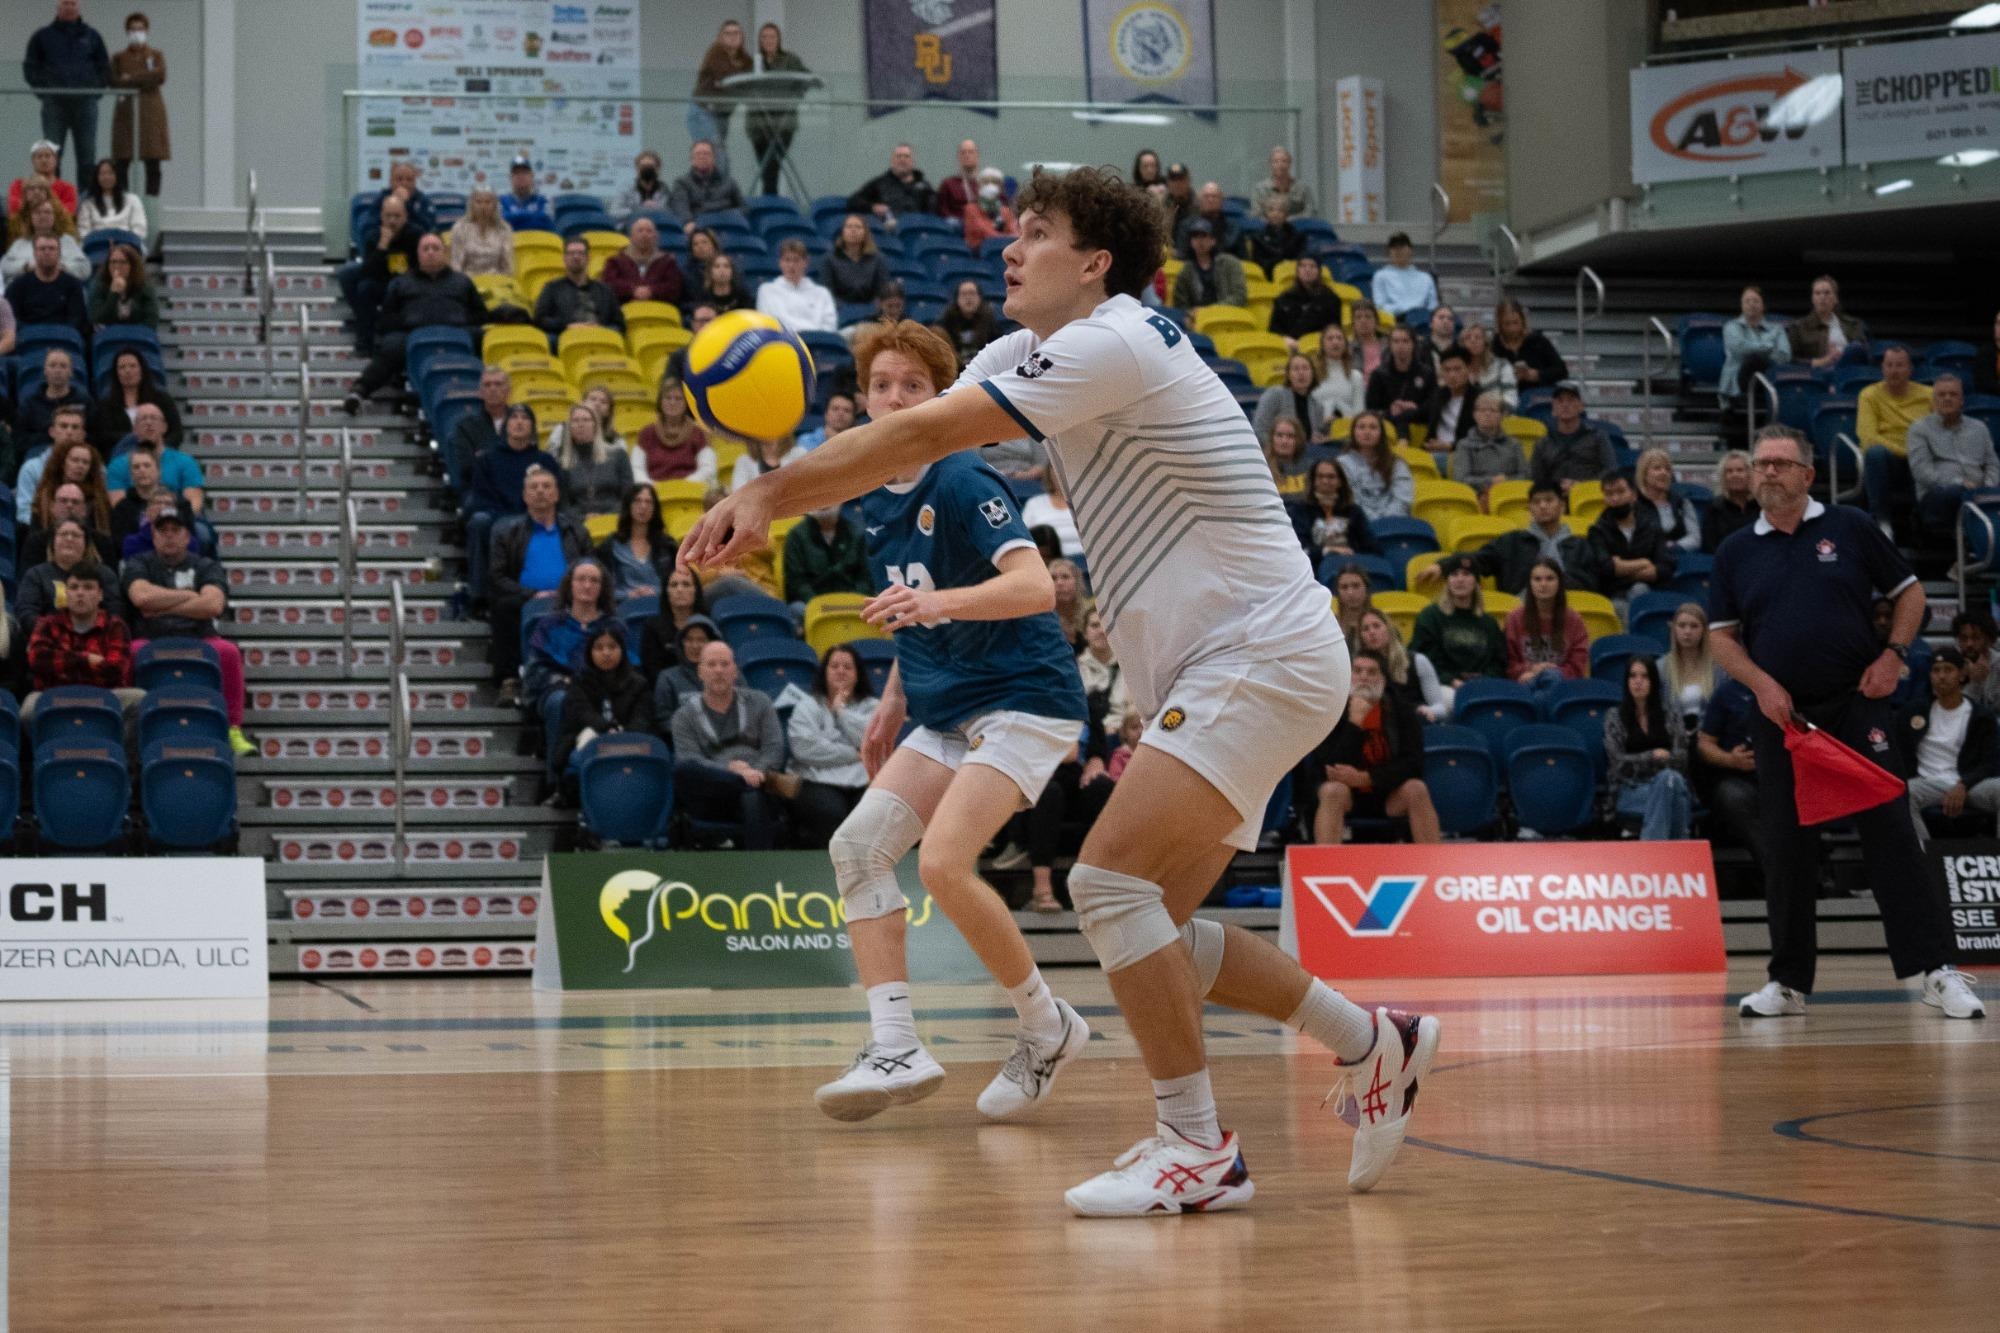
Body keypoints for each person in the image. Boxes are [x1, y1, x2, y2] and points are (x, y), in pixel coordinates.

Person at [685, 166, 1447, 1208]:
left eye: (1034, 232)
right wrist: (776, 488)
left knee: (1103, 884)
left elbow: (915, 436)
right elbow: (896, 449)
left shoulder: (1114, 341)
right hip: (1234, 664)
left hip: (1256, 651)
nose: (1008, 247)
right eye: (1010, 230)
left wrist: (768, 488)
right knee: (1156, 929)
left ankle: (1197, 1147)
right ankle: (1371, 1039)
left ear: (1094, 263)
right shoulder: (1028, 350)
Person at [793, 319, 1096, 1119]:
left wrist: (933, 604)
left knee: (943, 864)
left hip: (1026, 698)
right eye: (881, 385)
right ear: (863, 400)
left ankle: (1045, 1021)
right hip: (944, 703)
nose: (895, 397)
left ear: (939, 397)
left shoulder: (962, 478)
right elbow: (913, 597)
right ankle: (894, 1045)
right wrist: (893, 700)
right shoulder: (870, 491)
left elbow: (1035, 588)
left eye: (913, 386)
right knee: (857, 849)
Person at [1708, 425, 1981, 1019]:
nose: (1768, 473)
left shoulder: (1850, 528)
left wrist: (1894, 655)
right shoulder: (1734, 551)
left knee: (1892, 834)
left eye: (1780, 464)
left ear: (1808, 475)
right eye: (1760, 464)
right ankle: (1788, 982)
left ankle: (1936, 971)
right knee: (1786, 846)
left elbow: (1910, 595)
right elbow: (1722, 641)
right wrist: (1762, 684)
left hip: (1856, 705)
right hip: (1783, 718)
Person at [120, 499, 251, 754]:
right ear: (154, 536)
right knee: (132, 651)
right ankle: (132, 731)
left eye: (175, 530)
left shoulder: (206, 565)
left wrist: (161, 604)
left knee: (228, 652)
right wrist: (191, 596)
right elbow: (141, 598)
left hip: (199, 636)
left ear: (187, 535)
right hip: (151, 637)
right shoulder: (138, 563)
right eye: (162, 531)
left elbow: (213, 605)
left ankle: (232, 728)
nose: (169, 536)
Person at [668, 640, 792, 848]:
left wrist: (758, 772)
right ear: (700, 672)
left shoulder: (760, 701)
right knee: (684, 769)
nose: (719, 671)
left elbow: (774, 748)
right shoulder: (684, 715)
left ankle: (759, 870)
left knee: (752, 796)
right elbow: (689, 759)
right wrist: (731, 770)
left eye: (725, 664)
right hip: (712, 793)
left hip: (758, 785)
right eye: (712, 665)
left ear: (735, 671)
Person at [342, 232, 486, 411]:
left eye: (435, 248)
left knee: (484, 338)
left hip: (455, 332)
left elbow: (480, 315)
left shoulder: (463, 282)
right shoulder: (401, 283)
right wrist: (410, 321)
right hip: (414, 334)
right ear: (418, 254)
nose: (431, 252)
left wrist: (458, 319)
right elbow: (386, 321)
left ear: (444, 253)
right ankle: (359, 391)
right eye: (426, 249)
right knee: (392, 345)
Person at [1314, 648, 1439, 846]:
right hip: (1347, 796)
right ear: (1348, 675)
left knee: (1417, 788)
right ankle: (1325, 871)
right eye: (1357, 671)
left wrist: (1367, 778)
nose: (1363, 677)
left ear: (1383, 679)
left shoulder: (1401, 710)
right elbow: (1328, 765)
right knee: (1332, 791)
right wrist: (1355, 723)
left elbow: (1413, 763)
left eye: (1372, 672)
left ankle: (1435, 867)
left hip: (1388, 792)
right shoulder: (1330, 709)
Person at [488, 465, 589, 704]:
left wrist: (569, 593)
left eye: (546, 487)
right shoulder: (507, 531)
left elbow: (591, 568)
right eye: (534, 487)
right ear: (524, 496)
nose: (540, 492)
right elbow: (497, 576)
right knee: (504, 607)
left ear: (556, 494)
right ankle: (510, 680)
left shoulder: (576, 531)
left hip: (572, 599)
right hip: (524, 600)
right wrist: (533, 594)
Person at [22, 563, 141, 736]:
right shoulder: (47, 623)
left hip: (104, 696)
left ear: (100, 595)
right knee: (28, 709)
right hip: (56, 696)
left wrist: (64, 664)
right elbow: (38, 661)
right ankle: (46, 756)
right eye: (74, 587)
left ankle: (119, 758)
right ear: (66, 593)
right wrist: (86, 660)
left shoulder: (115, 625)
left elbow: (115, 670)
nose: (80, 593)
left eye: (88, 587)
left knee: (140, 700)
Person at [523, 556, 616, 771]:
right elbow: (534, 672)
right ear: (570, 585)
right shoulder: (549, 625)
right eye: (581, 579)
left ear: (602, 588)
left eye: (594, 581)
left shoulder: (613, 626)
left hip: (603, 690)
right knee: (561, 701)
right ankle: (557, 783)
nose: (587, 585)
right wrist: (564, 680)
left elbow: (627, 670)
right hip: (560, 689)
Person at [1896, 647, 2000, 837]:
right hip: (1927, 782)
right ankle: (1923, 860)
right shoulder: (1913, 711)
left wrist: (1963, 785)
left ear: (1961, 675)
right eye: (1936, 670)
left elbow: (1988, 763)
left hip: (1970, 784)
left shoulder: (1981, 716)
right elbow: (1900, 753)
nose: (1942, 676)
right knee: (1901, 795)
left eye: (1948, 670)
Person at [550, 619, 654, 807]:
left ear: (622, 650)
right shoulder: (580, 681)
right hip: (588, 741)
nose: (606, 653)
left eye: (612, 647)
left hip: (629, 742)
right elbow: (581, 713)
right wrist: (607, 729)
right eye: (599, 648)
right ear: (590, 652)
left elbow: (642, 719)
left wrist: (623, 735)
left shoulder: (639, 684)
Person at [784, 643, 876, 846]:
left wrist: (841, 712)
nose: (841, 671)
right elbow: (805, 749)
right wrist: (855, 753)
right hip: (817, 780)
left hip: (864, 781)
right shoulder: (807, 706)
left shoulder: (873, 707)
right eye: (834, 666)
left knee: (870, 813)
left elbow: (872, 742)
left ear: (858, 674)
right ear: (824, 672)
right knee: (830, 814)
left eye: (847, 667)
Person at [1606, 656, 1692, 840]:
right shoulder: (1614, 717)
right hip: (1632, 789)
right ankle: (1678, 857)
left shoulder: (1671, 714)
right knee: (1672, 785)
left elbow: (1683, 758)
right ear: (1626, 681)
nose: (1638, 681)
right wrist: (1653, 756)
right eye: (1633, 676)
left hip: (1668, 784)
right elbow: (1618, 763)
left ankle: (1654, 855)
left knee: (1668, 782)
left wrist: (1649, 765)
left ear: (1653, 681)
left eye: (1644, 676)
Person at [24, 2, 110, 186]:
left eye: (73, 3)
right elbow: (30, 67)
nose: (69, 7)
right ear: (58, 6)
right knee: (52, 158)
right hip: (55, 105)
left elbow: (104, 67)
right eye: (65, 3)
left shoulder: (92, 36)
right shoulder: (43, 36)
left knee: (87, 158)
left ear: (79, 7)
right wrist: (45, 92)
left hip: (85, 104)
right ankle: (53, 205)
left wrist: (94, 92)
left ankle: (86, 205)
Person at [1906, 373, 1999, 533]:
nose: (1948, 398)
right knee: (1956, 493)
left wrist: (1988, 488)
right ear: (1934, 401)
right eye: (1942, 395)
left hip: (1978, 492)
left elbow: (1993, 464)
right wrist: (1960, 484)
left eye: (1953, 394)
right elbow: (1922, 473)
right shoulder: (1919, 429)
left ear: (1962, 400)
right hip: (1937, 497)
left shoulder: (1979, 428)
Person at [1695, 678, 1769, 873]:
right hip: (1737, 778)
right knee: (1732, 796)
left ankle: (1814, 873)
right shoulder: (1726, 692)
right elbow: (1704, 745)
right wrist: (1730, 760)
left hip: (1778, 777)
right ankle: (1775, 869)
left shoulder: (1782, 688)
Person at [1858, 344, 1934, 528]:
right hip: (1890, 460)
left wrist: (1917, 454)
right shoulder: (1869, 395)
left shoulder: (1929, 395)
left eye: (1899, 365)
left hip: (1920, 460)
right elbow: (1868, 438)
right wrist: (1907, 452)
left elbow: (1937, 433)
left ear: (1910, 369)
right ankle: (1882, 523)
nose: (1894, 371)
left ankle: (1924, 525)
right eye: (1889, 365)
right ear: (1882, 368)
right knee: (1875, 453)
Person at [1412, 553, 1507, 688]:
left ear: (1476, 582)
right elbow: (1423, 659)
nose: (1460, 580)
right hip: (1441, 686)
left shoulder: (1489, 623)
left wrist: (1484, 680)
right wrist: (1452, 681)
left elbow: (1497, 663)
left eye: (1466, 574)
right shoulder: (1430, 617)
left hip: (1483, 685)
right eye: (1454, 574)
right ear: (1447, 581)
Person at [15, 514, 121, 631]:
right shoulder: (36, 574)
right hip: (48, 639)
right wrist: (57, 632)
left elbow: (115, 612)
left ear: (86, 544)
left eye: (76, 535)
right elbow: (26, 613)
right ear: (53, 542)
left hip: (95, 639)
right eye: (63, 534)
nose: (69, 538)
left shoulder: (104, 574)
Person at [1590, 469, 1675, 609]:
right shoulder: (1597, 530)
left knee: (1640, 590)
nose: (1615, 498)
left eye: (1620, 492)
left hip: (1649, 592)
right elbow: (1606, 568)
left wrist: (1623, 569)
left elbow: (1666, 566)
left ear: (1634, 494)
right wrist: (1644, 562)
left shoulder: (1651, 526)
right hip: (1613, 595)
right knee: (1619, 605)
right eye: (1609, 494)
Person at [1504, 558, 1588, 684]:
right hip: (1525, 685)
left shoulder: (1574, 621)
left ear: (1559, 583)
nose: (1543, 584)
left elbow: (1577, 666)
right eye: (1537, 579)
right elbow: (1508, 663)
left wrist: (1550, 673)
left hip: (1561, 686)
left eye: (1550, 579)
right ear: (1530, 584)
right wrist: (1530, 670)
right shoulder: (1514, 619)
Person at [104, 406, 200, 510]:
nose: (148, 423)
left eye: (154, 418)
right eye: (143, 419)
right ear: (134, 429)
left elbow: (194, 502)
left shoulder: (185, 462)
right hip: (135, 521)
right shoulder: (118, 465)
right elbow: (118, 506)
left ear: (164, 427)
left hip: (177, 520)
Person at [1529, 381, 1616, 496]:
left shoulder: (1598, 437)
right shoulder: (1543, 443)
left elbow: (1611, 470)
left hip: (1589, 496)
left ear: (1581, 407)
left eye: (1571, 399)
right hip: (1554, 499)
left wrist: (1582, 486)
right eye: (1560, 401)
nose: (1565, 405)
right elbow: (1536, 478)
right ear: (1553, 409)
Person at [19, 410, 102, 527]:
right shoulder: (31, 468)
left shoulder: (98, 469)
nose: (69, 432)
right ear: (52, 432)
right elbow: (24, 512)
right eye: (63, 426)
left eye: (75, 427)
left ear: (83, 434)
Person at [551, 402, 633, 519]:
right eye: (575, 421)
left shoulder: (618, 455)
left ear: (595, 425)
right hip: (579, 525)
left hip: (616, 520)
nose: (581, 424)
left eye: (586, 420)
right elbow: (564, 506)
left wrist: (606, 517)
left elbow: (628, 497)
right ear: (569, 428)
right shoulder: (562, 463)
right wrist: (583, 517)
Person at [689, 21, 751, 173]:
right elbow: (725, 76)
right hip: (703, 111)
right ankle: (720, 195)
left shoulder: (744, 59)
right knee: (717, 157)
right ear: (720, 37)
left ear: (742, 37)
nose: (732, 37)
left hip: (723, 114)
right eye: (727, 33)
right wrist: (736, 82)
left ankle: (715, 194)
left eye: (736, 33)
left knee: (716, 160)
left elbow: (751, 78)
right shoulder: (715, 51)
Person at [596, 483, 675, 600]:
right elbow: (602, 589)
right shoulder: (612, 544)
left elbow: (677, 583)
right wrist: (629, 594)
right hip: (624, 608)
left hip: (661, 607)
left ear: (655, 508)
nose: (643, 506)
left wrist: (656, 592)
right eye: (637, 501)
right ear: (629, 506)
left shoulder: (667, 546)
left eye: (648, 502)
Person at [782, 502, 868, 606]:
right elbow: (796, 583)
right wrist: (819, 605)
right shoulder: (796, 537)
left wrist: (850, 603)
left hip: (852, 603)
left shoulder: (857, 534)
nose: (824, 504)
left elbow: (865, 578)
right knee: (797, 609)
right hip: (810, 604)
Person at [1451, 389, 1527, 506]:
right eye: (1482, 410)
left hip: (1509, 498)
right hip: (1476, 499)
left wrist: (1506, 482)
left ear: (1502, 415)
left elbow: (1526, 475)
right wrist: (1491, 482)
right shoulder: (1464, 445)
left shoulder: (1514, 444)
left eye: (1492, 410)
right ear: (1475, 415)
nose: (1487, 414)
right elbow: (1461, 479)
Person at [534, 236, 622, 337]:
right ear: (564, 258)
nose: (576, 257)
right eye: (571, 253)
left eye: (581, 253)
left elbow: (619, 324)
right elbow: (540, 320)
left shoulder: (605, 290)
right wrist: (567, 326)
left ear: (588, 258)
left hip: (600, 337)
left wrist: (600, 328)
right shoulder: (552, 288)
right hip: (566, 338)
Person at [1288, 458, 1370, 564]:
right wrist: (1327, 551)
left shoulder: (1354, 511)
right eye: (1320, 477)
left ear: (1340, 482)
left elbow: (1370, 548)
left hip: (1351, 565)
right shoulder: (1299, 511)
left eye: (1331, 477)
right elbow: (1300, 549)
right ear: (1313, 481)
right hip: (1313, 568)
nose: (1325, 481)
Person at [15, 346, 90, 459]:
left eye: (63, 366)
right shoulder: (30, 402)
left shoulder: (84, 401)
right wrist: (54, 437)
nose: (58, 370)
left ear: (71, 372)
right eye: (53, 365)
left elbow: (94, 435)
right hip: (40, 455)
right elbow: (19, 439)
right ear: (45, 370)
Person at [1719, 285, 1788, 406]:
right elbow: (1739, 350)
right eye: (1747, 301)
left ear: (1763, 305)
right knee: (1753, 360)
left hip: (1769, 381)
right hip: (1737, 387)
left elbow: (1785, 356)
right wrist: (1768, 347)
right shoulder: (1731, 327)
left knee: (1758, 360)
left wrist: (1756, 351)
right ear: (1741, 305)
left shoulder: (1777, 329)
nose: (1751, 304)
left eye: (1756, 301)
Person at [23, 476, 115, 567]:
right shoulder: (36, 542)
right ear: (52, 507)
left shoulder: (102, 543)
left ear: (84, 510)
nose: (69, 505)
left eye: (75, 502)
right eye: (63, 501)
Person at [1339, 410, 1414, 521]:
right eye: (1361, 427)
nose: (1367, 432)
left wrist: (1385, 522)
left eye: (1373, 427)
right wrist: (1372, 522)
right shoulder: (1341, 464)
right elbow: (1349, 501)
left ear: (1381, 433)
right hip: (1358, 525)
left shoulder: (1397, 464)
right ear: (1353, 432)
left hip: (1393, 524)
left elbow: (1402, 500)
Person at [637, 566, 709, 680]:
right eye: (674, 585)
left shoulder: (708, 625)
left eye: (686, 584)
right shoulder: (652, 627)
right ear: (666, 592)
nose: (680, 589)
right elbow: (651, 671)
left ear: (696, 591)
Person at [634, 375, 708, 481]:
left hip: (689, 492)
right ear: (661, 401)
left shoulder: (697, 434)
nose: (672, 403)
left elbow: (707, 469)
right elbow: (637, 469)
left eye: (678, 399)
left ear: (686, 403)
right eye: (668, 398)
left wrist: (681, 486)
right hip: (654, 492)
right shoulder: (647, 433)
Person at [1786, 274, 1867, 371]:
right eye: (1817, 293)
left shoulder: (1854, 324)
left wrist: (1843, 355)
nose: (1822, 297)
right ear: (1812, 299)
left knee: (1855, 348)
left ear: (1836, 299)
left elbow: (1864, 354)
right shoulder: (1798, 327)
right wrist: (1822, 361)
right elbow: (1791, 360)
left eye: (1827, 293)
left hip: (1849, 372)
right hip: (1818, 373)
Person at [754, 238, 835, 333]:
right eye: (787, 260)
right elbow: (767, 324)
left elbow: (830, 327)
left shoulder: (822, 293)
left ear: (806, 262)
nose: (791, 265)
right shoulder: (766, 290)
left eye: (796, 260)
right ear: (780, 262)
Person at [1364, 325, 1432, 433]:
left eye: (1405, 341)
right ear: (1390, 345)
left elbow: (1433, 406)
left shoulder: (1427, 373)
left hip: (1418, 428)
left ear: (1413, 344)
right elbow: (1371, 410)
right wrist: (1389, 412)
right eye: (1396, 341)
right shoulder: (1378, 374)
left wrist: (1415, 409)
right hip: (1387, 430)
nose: (1400, 346)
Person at [601, 216, 681, 308]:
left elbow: (674, 288)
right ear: (631, 236)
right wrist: (632, 290)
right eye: (640, 231)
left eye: (649, 231)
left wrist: (651, 291)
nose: (644, 235)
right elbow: (608, 285)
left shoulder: (668, 262)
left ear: (656, 236)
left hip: (659, 311)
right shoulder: (616, 261)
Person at [1168, 218, 1246, 310]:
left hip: (1226, 315)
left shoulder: (1230, 263)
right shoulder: (1186, 271)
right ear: (1190, 242)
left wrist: (1211, 310)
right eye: (1195, 236)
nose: (1199, 240)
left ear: (1213, 240)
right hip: (1198, 320)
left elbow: (1239, 296)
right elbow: (1180, 305)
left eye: (1204, 236)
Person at [1, 200, 89, 282]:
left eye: (47, 212)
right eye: (37, 212)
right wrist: (26, 267)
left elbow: (85, 269)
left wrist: (62, 267)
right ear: (31, 218)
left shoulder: (67, 241)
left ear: (54, 216)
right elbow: (3, 267)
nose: (43, 216)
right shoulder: (19, 243)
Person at [1662, 603, 1718, 731]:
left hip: (1710, 738)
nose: (1687, 631)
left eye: (1694, 626)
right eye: (1682, 626)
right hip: (1673, 740)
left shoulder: (1718, 668)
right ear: (1674, 629)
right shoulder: (1661, 668)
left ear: (1704, 630)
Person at [1635, 447, 1703, 552]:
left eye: (1667, 469)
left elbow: (1695, 538)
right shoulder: (1633, 503)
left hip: (1677, 557)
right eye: (1657, 468)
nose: (1664, 472)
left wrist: (1675, 546)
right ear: (1644, 474)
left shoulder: (1681, 502)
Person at [1253, 354, 1330, 445]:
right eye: (1296, 369)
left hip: (1306, 455)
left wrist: (1319, 438)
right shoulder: (1275, 394)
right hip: (1274, 453)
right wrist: (1276, 448)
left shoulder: (1317, 405)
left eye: (1305, 368)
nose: (1301, 373)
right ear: (1288, 375)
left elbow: (1314, 436)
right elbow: (1259, 430)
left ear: (1313, 374)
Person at [1268, 256, 1341, 349]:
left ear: (1319, 271)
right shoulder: (1284, 298)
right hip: (1289, 348)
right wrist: (1285, 338)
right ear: (1297, 271)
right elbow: (1274, 330)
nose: (1307, 270)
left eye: (1312, 266)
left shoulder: (1331, 299)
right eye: (1303, 266)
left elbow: (1334, 329)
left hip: (1319, 348)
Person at [847, 143, 934, 222]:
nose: (902, 160)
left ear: (913, 162)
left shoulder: (925, 186)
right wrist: (872, 207)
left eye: (906, 156)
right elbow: (853, 201)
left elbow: (933, 211)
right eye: (898, 156)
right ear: (892, 161)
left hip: (916, 231)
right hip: (888, 233)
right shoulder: (879, 184)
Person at [1493, 298, 1568, 389]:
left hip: (1537, 396)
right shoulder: (1494, 346)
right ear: (1500, 324)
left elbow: (1562, 371)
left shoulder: (1538, 341)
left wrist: (1538, 375)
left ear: (1523, 320)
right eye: (1507, 324)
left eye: (1516, 323)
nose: (1512, 329)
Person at [819, 214, 885, 311]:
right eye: (849, 226)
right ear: (843, 232)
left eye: (858, 227)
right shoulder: (828, 259)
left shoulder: (878, 259)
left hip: (871, 313)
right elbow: (827, 293)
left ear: (865, 233)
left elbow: (882, 292)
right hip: (839, 312)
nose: (853, 230)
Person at [1369, 231, 1437, 325]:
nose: (1398, 250)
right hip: (1394, 323)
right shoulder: (1380, 276)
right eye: (1394, 247)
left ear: (1410, 250)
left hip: (1423, 322)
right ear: (1389, 252)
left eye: (1402, 246)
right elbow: (1380, 307)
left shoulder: (1426, 278)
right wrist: (1409, 311)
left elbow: (1433, 306)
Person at [88, 240, 155, 331]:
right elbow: (97, 318)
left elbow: (151, 320)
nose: (117, 266)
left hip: (138, 336)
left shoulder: (144, 285)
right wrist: (114, 294)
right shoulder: (99, 284)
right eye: (113, 262)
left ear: (132, 266)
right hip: (108, 336)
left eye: (123, 262)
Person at [1422, 346, 1479, 452]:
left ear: (1469, 368)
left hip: (1464, 456)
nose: (1452, 375)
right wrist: (1403, 437)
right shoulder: (1438, 395)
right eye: (1447, 370)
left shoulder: (1479, 399)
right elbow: (1411, 415)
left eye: (1457, 369)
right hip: (1432, 452)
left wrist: (1450, 446)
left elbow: (1483, 439)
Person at [446, 188, 512, 278]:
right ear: (471, 205)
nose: (483, 206)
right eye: (478, 202)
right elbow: (456, 265)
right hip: (467, 281)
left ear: (495, 206)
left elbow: (507, 266)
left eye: (488, 202)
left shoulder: (504, 229)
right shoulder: (460, 228)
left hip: (496, 280)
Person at [1702, 449, 1759, 553]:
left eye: (1740, 470)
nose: (1734, 475)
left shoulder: (1763, 505)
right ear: (1723, 477)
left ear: (1750, 474)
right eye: (1729, 471)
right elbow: (1710, 546)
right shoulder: (1714, 508)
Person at [934, 279, 998, 369]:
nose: (968, 298)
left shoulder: (989, 321)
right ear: (957, 299)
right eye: (964, 294)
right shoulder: (946, 322)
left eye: (972, 293)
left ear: (980, 298)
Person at [1309, 324, 1366, 422]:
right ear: (1322, 345)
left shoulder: (1356, 376)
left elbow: (1359, 413)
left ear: (1345, 344)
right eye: (1330, 339)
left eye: (1339, 338)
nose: (1335, 342)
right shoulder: (1311, 375)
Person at [1020, 467, 1082, 559]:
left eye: (1064, 469)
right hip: (1047, 561)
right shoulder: (1034, 503)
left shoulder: (1084, 502)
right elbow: (1024, 538)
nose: (1061, 474)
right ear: (1049, 473)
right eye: (1057, 469)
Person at [77, 156, 143, 236]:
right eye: (102, 174)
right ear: (96, 178)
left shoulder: (133, 200)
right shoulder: (87, 204)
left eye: (110, 173)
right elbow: (83, 231)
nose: (107, 177)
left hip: (127, 245)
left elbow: (139, 229)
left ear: (118, 176)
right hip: (97, 245)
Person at [1458, 322, 1518, 410]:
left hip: (1497, 418)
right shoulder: (1455, 369)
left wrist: (1491, 411)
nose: (1473, 340)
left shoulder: (1502, 366)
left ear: (1485, 342)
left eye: (1478, 337)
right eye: (1468, 338)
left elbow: (1511, 400)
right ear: (1462, 344)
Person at [1172, 181, 1239, 259]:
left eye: (1214, 196)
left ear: (1222, 200)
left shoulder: (1233, 226)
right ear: (1199, 200)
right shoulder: (1186, 225)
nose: (1210, 200)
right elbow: (1181, 254)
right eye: (1206, 196)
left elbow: (1243, 258)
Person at [1244, 195, 1303, 280]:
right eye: (1271, 210)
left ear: (1286, 214)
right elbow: (1258, 264)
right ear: (1266, 214)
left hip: (1291, 277)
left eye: (1280, 210)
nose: (1276, 214)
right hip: (1267, 277)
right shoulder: (1258, 238)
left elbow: (1300, 261)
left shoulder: (1297, 236)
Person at [960, 166, 1018, 252]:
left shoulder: (1005, 210)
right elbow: (985, 231)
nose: (990, 186)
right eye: (986, 182)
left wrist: (1011, 238)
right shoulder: (971, 209)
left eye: (994, 182)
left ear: (1000, 188)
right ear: (979, 186)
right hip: (979, 252)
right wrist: (1007, 239)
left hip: (1003, 249)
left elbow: (1014, 231)